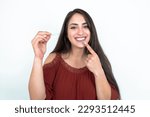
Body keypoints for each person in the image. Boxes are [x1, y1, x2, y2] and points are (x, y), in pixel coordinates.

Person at [29, 8, 120, 100]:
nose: (80, 32)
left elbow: (107, 104)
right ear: (66, 33)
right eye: (73, 27)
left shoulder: (99, 60)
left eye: (85, 26)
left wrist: (99, 72)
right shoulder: (54, 60)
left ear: (91, 31)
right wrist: (38, 57)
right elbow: (37, 100)